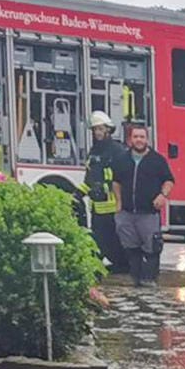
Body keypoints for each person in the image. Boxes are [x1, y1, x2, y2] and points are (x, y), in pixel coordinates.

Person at [111, 124, 174, 286]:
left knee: (152, 247)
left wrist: (163, 195)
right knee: (131, 248)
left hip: (148, 213)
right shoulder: (122, 159)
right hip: (126, 213)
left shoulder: (157, 160)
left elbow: (169, 180)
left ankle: (149, 280)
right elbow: (116, 182)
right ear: (130, 139)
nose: (139, 140)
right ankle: (136, 280)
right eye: (135, 137)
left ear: (147, 139)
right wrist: (118, 203)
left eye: (142, 137)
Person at [82, 112, 129, 275]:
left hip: (113, 207)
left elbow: (123, 177)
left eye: (100, 129)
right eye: (95, 129)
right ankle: (97, 267)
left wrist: (120, 203)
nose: (97, 133)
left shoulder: (118, 151)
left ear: (108, 129)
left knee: (115, 240)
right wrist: (77, 194)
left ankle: (123, 267)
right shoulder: (94, 151)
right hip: (97, 207)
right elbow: (88, 178)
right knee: (98, 239)